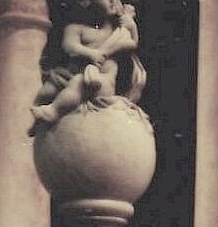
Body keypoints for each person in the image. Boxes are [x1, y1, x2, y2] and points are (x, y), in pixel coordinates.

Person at [29, 0, 145, 132]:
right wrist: (91, 53)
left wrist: (131, 26)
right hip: (69, 74)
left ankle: (54, 110)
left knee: (78, 83)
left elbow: (132, 43)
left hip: (100, 81)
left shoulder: (116, 33)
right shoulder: (75, 28)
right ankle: (37, 124)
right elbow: (69, 46)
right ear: (85, 3)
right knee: (46, 91)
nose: (113, 1)